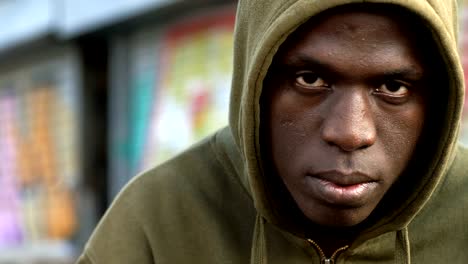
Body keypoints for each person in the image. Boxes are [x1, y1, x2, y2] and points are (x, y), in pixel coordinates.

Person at [76, 0, 468, 263]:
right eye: (310, 79)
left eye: (393, 87)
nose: (351, 133)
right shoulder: (157, 219)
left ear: (438, 101)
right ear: (255, 84)